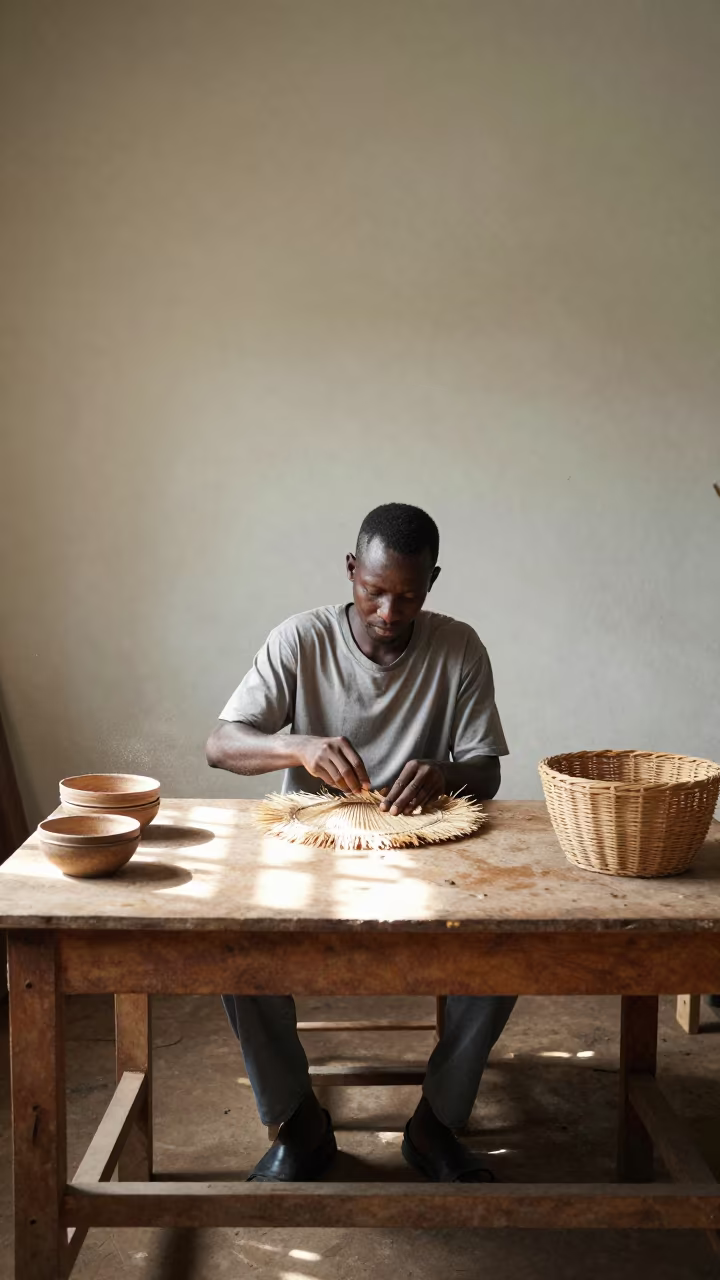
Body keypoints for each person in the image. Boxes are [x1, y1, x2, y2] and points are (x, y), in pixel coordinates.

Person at [206, 502, 515, 1183]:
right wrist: (298, 746)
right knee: (232, 949)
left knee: (508, 949)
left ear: (432, 582)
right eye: (373, 590)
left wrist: (445, 772)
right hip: (311, 855)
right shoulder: (299, 640)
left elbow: (487, 772)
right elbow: (220, 745)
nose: (386, 610)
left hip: (429, 855)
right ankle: (298, 1122)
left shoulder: (458, 646)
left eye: (407, 596)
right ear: (351, 570)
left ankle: (436, 1125)